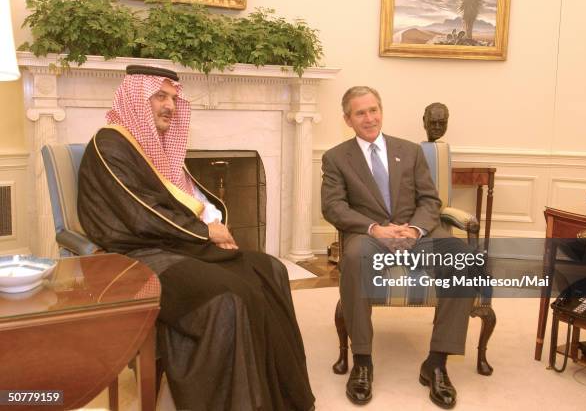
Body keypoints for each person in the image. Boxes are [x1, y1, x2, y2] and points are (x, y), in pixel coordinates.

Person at [77, 65, 315, 411]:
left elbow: (190, 199)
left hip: (177, 243)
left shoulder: (155, 148)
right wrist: (205, 233)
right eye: (160, 96)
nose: (170, 105)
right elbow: (140, 212)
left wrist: (213, 229)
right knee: (230, 296)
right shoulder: (109, 144)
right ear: (136, 99)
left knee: (270, 270)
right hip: (136, 257)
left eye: (174, 98)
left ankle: (285, 399)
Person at [321, 86, 482, 409]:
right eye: (360, 113)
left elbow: (430, 200)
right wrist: (376, 229)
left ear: (381, 110)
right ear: (347, 119)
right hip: (370, 236)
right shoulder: (336, 157)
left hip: (417, 232)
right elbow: (333, 207)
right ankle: (363, 360)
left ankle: (436, 363)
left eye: (373, 110)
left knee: (462, 258)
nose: (369, 118)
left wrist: (413, 229)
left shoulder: (409, 151)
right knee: (354, 257)